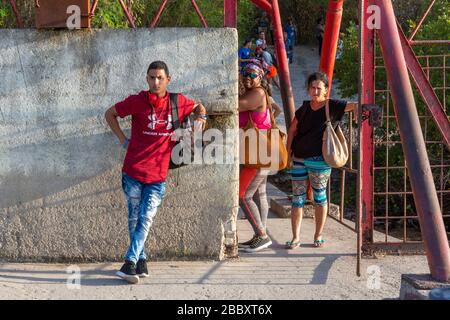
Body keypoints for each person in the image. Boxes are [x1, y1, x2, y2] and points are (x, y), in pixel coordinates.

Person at [104, 61, 207, 284]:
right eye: (151, 77)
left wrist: (201, 118)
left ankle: (129, 262)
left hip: (158, 175)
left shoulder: (177, 101)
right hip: (132, 171)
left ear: (168, 79)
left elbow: (199, 107)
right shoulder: (136, 101)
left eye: (160, 77)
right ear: (147, 79)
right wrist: (123, 140)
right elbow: (110, 114)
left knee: (146, 218)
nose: (155, 82)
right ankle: (141, 261)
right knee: (134, 218)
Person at [285, 72, 357, 249]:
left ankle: (318, 235)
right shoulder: (303, 109)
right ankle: (295, 237)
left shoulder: (332, 106)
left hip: (320, 159)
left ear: (326, 90)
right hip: (299, 157)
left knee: (319, 197)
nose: (315, 91)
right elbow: (292, 130)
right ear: (308, 89)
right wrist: (287, 154)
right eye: (312, 87)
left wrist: (357, 114)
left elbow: (356, 104)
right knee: (297, 198)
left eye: (319, 88)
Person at [238, 61, 274, 253]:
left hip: (257, 155)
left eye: (253, 74)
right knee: (258, 194)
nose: (248, 77)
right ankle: (258, 236)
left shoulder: (258, 93)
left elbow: (235, 106)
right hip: (255, 153)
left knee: (242, 195)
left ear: (261, 77)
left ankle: (262, 235)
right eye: (245, 73)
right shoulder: (255, 93)